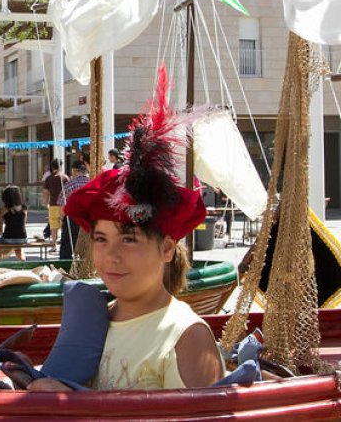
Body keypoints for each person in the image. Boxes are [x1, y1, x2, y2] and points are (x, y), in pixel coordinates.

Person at [30, 74, 223, 392]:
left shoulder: (186, 336)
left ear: (167, 249)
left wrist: (76, 408)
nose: (111, 255)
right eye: (101, 239)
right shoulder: (93, 321)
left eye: (129, 238)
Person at [58, 160, 90, 261]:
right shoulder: (93, 182)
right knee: (88, 246)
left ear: (74, 171)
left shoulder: (70, 184)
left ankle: (65, 267)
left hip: (73, 219)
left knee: (67, 246)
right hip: (90, 218)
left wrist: (62, 218)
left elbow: (62, 205)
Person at [0, 185, 28, 261]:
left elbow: (0, 230)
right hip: (23, 238)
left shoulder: (2, 209)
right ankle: (23, 263)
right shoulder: (24, 208)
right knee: (18, 249)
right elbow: (23, 225)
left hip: (8, 238)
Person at [42, 159, 66, 250]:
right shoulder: (65, 177)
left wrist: (46, 203)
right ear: (60, 166)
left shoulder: (48, 178)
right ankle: (64, 244)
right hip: (63, 206)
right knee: (64, 226)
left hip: (52, 205)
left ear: (52, 167)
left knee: (53, 226)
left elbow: (45, 191)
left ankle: (54, 245)